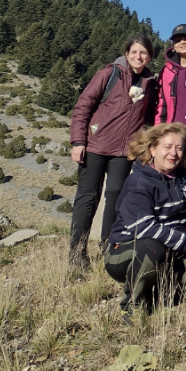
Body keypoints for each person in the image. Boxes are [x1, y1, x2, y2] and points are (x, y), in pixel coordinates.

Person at [103, 123, 186, 316]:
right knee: (153, 248)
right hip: (128, 251)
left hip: (173, 250)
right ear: (153, 149)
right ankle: (133, 308)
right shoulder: (139, 183)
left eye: (179, 148)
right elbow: (145, 228)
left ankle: (160, 295)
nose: (173, 153)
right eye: (167, 147)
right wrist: (185, 243)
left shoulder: (183, 176)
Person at [68, 36, 159, 269]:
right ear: (127, 53)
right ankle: (77, 252)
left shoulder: (150, 82)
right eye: (134, 52)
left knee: (117, 196)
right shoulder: (109, 74)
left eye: (143, 53)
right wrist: (78, 141)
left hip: (125, 151)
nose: (139, 57)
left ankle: (108, 247)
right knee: (88, 197)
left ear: (149, 56)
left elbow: (149, 117)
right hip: (96, 145)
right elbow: (84, 105)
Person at [157, 25, 186, 128]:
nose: (182, 42)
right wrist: (159, 130)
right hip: (175, 132)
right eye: (178, 40)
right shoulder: (167, 71)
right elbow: (162, 104)